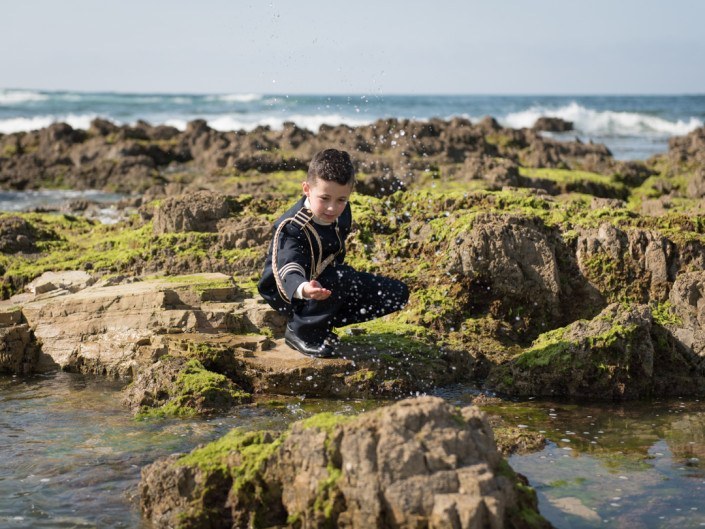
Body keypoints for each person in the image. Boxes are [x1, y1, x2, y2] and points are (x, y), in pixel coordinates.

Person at [258, 148, 409, 357]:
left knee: (396, 294)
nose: (332, 208)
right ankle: (302, 331)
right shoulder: (293, 227)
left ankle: (321, 323)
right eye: (325, 198)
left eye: (341, 200)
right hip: (290, 290)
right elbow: (288, 266)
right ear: (307, 189)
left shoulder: (342, 211)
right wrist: (304, 288)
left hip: (329, 283)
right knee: (341, 277)